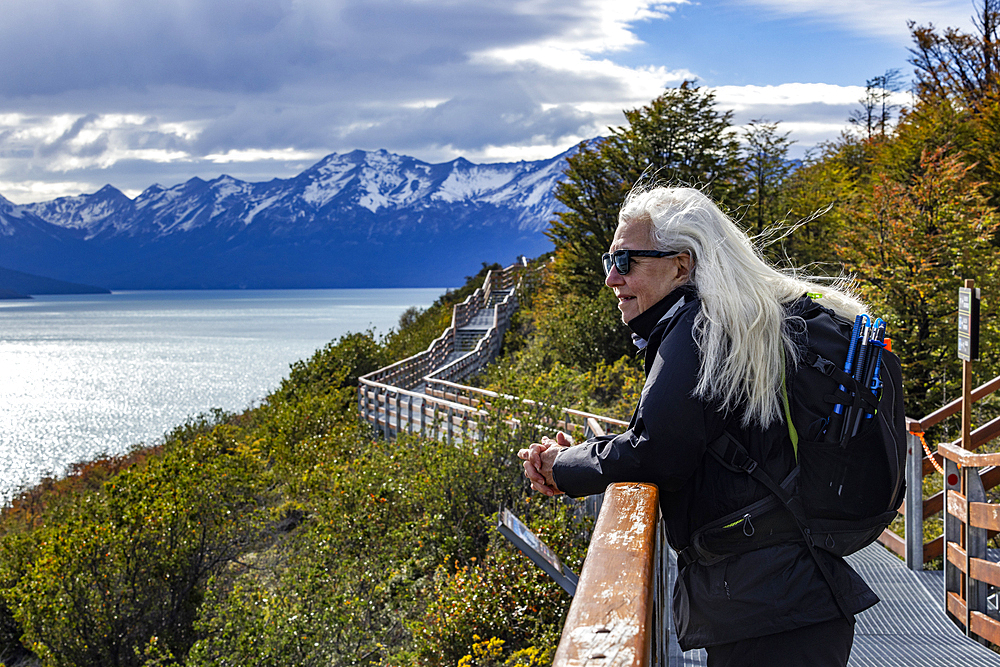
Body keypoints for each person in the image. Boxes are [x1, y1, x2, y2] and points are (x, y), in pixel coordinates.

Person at [517, 186, 877, 667]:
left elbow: (657, 450)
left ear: (681, 266)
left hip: (769, 609)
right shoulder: (731, 323)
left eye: (626, 261)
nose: (610, 278)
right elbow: (683, 435)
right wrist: (582, 456)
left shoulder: (701, 329)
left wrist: (565, 468)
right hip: (784, 599)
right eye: (610, 259)